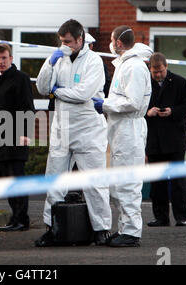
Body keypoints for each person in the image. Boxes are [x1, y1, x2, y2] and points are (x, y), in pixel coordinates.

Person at [35, 19, 112, 247]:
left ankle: (101, 229)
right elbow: (41, 88)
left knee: (95, 181)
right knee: (54, 179)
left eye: (68, 41)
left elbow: (83, 93)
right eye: (61, 41)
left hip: (88, 128)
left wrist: (57, 92)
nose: (64, 45)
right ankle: (52, 228)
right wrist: (49, 64)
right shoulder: (59, 58)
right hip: (62, 127)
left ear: (80, 39)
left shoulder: (94, 61)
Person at [92, 25, 153, 247]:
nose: (110, 43)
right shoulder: (126, 65)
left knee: (128, 183)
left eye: (111, 40)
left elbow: (134, 102)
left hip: (130, 129)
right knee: (119, 183)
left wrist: (105, 104)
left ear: (118, 42)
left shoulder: (134, 67)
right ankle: (125, 228)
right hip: (121, 130)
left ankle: (132, 232)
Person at [145, 52, 186, 227]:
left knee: (177, 182)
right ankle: (161, 217)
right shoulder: (145, 83)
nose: (158, 75)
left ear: (166, 67)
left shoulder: (180, 82)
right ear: (149, 69)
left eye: (160, 71)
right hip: (154, 141)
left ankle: (181, 216)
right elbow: (137, 106)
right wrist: (148, 112)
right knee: (157, 182)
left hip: (174, 140)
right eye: (154, 72)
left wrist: (172, 111)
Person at [0, 44, 35, 232]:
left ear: (11, 58)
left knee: (17, 178)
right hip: (0, 136)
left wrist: (26, 134)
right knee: (7, 178)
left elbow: (28, 108)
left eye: (4, 58)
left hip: (16, 135)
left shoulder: (21, 78)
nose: (1, 62)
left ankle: (21, 219)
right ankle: (14, 217)